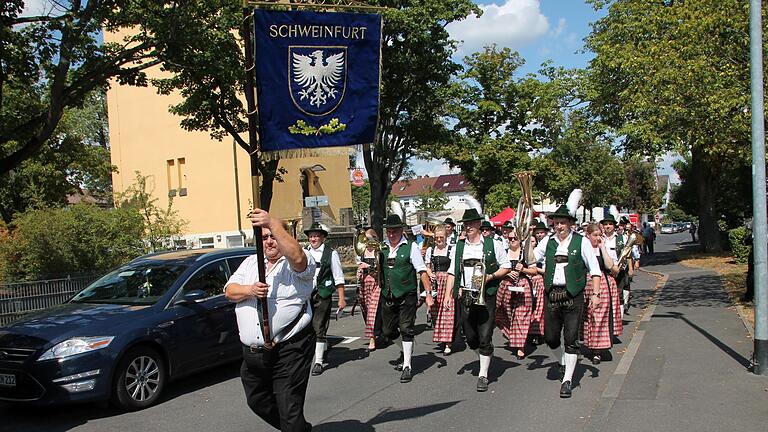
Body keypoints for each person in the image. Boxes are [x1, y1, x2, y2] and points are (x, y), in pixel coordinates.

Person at [225, 209, 316, 432]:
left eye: (273, 236)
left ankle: (293, 426)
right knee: (257, 401)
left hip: (290, 349)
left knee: (288, 406)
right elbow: (229, 291)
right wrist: (250, 289)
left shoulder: (297, 264)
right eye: (264, 237)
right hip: (255, 353)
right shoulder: (250, 263)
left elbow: (297, 258)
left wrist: (272, 223)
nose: (269, 241)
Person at [529, 205, 602, 398]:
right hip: (552, 294)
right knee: (551, 337)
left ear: (570, 223)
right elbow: (531, 259)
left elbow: (595, 270)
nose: (559, 225)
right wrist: (526, 239)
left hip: (573, 296)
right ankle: (562, 362)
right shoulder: (548, 241)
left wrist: (595, 294)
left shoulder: (582, 242)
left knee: (571, 339)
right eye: (556, 222)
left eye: (563, 222)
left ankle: (567, 380)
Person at [445, 209, 511, 392]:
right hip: (465, 295)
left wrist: (490, 276)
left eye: (472, 223)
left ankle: (483, 374)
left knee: (484, 335)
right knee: (471, 337)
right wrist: (447, 295)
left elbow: (506, 266)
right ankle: (485, 353)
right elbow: (452, 271)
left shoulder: (492, 244)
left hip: (486, 294)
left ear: (479, 225)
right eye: (466, 224)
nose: (469, 226)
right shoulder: (459, 247)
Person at [379, 214, 433, 383]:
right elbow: (379, 271)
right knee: (388, 331)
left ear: (401, 230)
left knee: (406, 328)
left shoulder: (411, 247)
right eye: (389, 231)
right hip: (388, 294)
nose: (391, 234)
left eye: (394, 230)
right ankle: (404, 350)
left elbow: (422, 271)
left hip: (407, 294)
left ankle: (408, 365)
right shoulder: (382, 247)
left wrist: (428, 294)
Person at [303, 223, 347, 376]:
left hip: (323, 294)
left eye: (316, 235)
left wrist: (342, 299)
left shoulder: (331, 253)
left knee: (319, 326)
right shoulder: (304, 252)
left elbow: (338, 277)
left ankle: (319, 362)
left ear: (322, 237)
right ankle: (323, 348)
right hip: (306, 295)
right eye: (311, 236)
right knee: (306, 327)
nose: (313, 238)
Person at [496, 226, 539, 359]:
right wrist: (507, 273)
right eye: (510, 238)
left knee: (521, 316)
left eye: (515, 238)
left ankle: (520, 345)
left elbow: (534, 271)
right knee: (507, 314)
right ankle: (513, 336)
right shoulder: (503, 252)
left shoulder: (526, 252)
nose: (512, 240)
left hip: (523, 285)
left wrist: (523, 270)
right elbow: (499, 269)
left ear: (520, 240)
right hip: (506, 285)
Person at [582, 223, 621, 365]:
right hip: (586, 285)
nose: (598, 238)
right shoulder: (584, 248)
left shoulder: (601, 249)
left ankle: (597, 350)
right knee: (588, 317)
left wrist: (603, 247)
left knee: (599, 317)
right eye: (595, 235)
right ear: (588, 236)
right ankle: (591, 344)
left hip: (602, 285)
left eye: (600, 235)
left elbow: (611, 267)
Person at [425, 227, 455, 355]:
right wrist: (430, 272)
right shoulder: (430, 250)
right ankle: (441, 336)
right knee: (435, 311)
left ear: (446, 236)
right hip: (435, 283)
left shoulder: (451, 249)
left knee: (447, 311)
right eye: (436, 237)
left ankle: (448, 342)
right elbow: (426, 266)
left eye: (441, 237)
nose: (438, 239)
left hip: (447, 282)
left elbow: (453, 269)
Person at [600, 214, 631, 323]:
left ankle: (618, 321)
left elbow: (627, 254)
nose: (608, 226)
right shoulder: (599, 238)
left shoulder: (622, 238)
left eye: (610, 224)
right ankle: (607, 320)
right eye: (605, 224)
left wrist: (629, 268)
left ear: (614, 226)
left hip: (619, 270)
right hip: (603, 270)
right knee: (605, 296)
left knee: (619, 294)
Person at [356, 228, 382, 352]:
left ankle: (372, 338)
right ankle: (374, 335)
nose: (366, 241)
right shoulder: (362, 253)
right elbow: (360, 271)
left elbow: (381, 270)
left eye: (369, 239)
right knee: (366, 311)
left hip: (376, 284)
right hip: (365, 284)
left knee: (373, 310)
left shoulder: (379, 251)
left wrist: (370, 266)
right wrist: (359, 272)